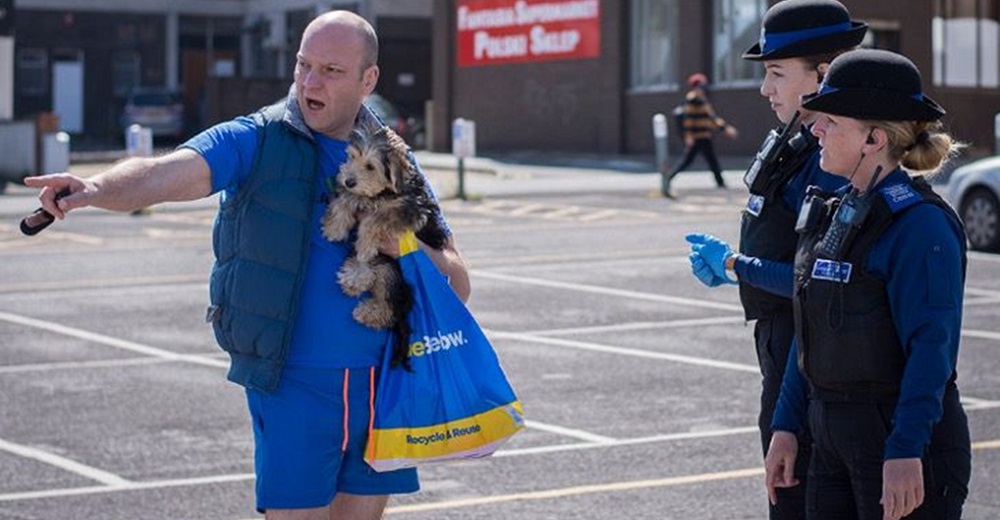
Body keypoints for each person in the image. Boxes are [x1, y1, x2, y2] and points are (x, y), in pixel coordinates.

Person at [23, 11, 470, 520]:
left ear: (368, 80)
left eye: (330, 70)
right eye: (303, 65)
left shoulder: (396, 162)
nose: (309, 82)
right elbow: (165, 174)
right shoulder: (256, 139)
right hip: (293, 385)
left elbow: (457, 281)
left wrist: (405, 247)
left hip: (386, 386)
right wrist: (96, 188)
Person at [762, 48, 970, 520]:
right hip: (830, 432)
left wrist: (906, 450)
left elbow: (931, 350)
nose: (815, 129)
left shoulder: (920, 227)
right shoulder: (835, 210)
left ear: (874, 138)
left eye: (831, 121)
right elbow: (809, 328)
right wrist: (787, 424)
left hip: (897, 438)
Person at [686, 1, 865, 516]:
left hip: (808, 361)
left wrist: (734, 267)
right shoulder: (797, 140)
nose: (766, 89)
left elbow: (823, 280)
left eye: (776, 74)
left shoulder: (832, 158)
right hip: (782, 351)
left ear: (824, 75)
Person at [663, 72, 738, 197]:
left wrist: (724, 128)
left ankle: (720, 182)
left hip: (704, 135)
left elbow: (711, 118)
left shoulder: (701, 98)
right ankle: (668, 178)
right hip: (697, 136)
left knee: (710, 159)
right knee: (687, 161)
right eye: (702, 84)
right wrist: (689, 136)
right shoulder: (693, 99)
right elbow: (689, 119)